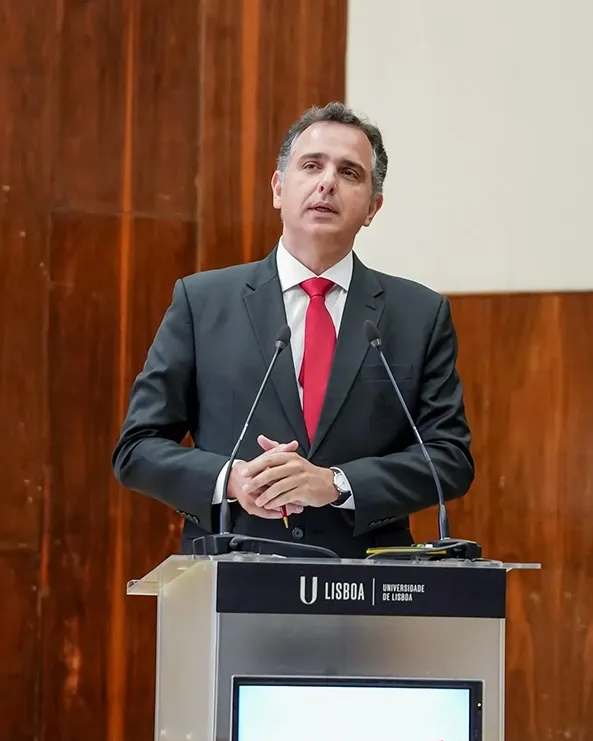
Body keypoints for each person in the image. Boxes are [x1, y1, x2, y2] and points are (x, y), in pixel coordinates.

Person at [112, 102, 474, 558]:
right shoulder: (202, 303)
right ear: (278, 189)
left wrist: (337, 484)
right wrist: (231, 479)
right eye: (311, 166)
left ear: (372, 208)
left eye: (349, 173)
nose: (327, 183)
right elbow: (137, 448)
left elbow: (449, 457)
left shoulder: (418, 314)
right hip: (234, 575)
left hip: (363, 580)